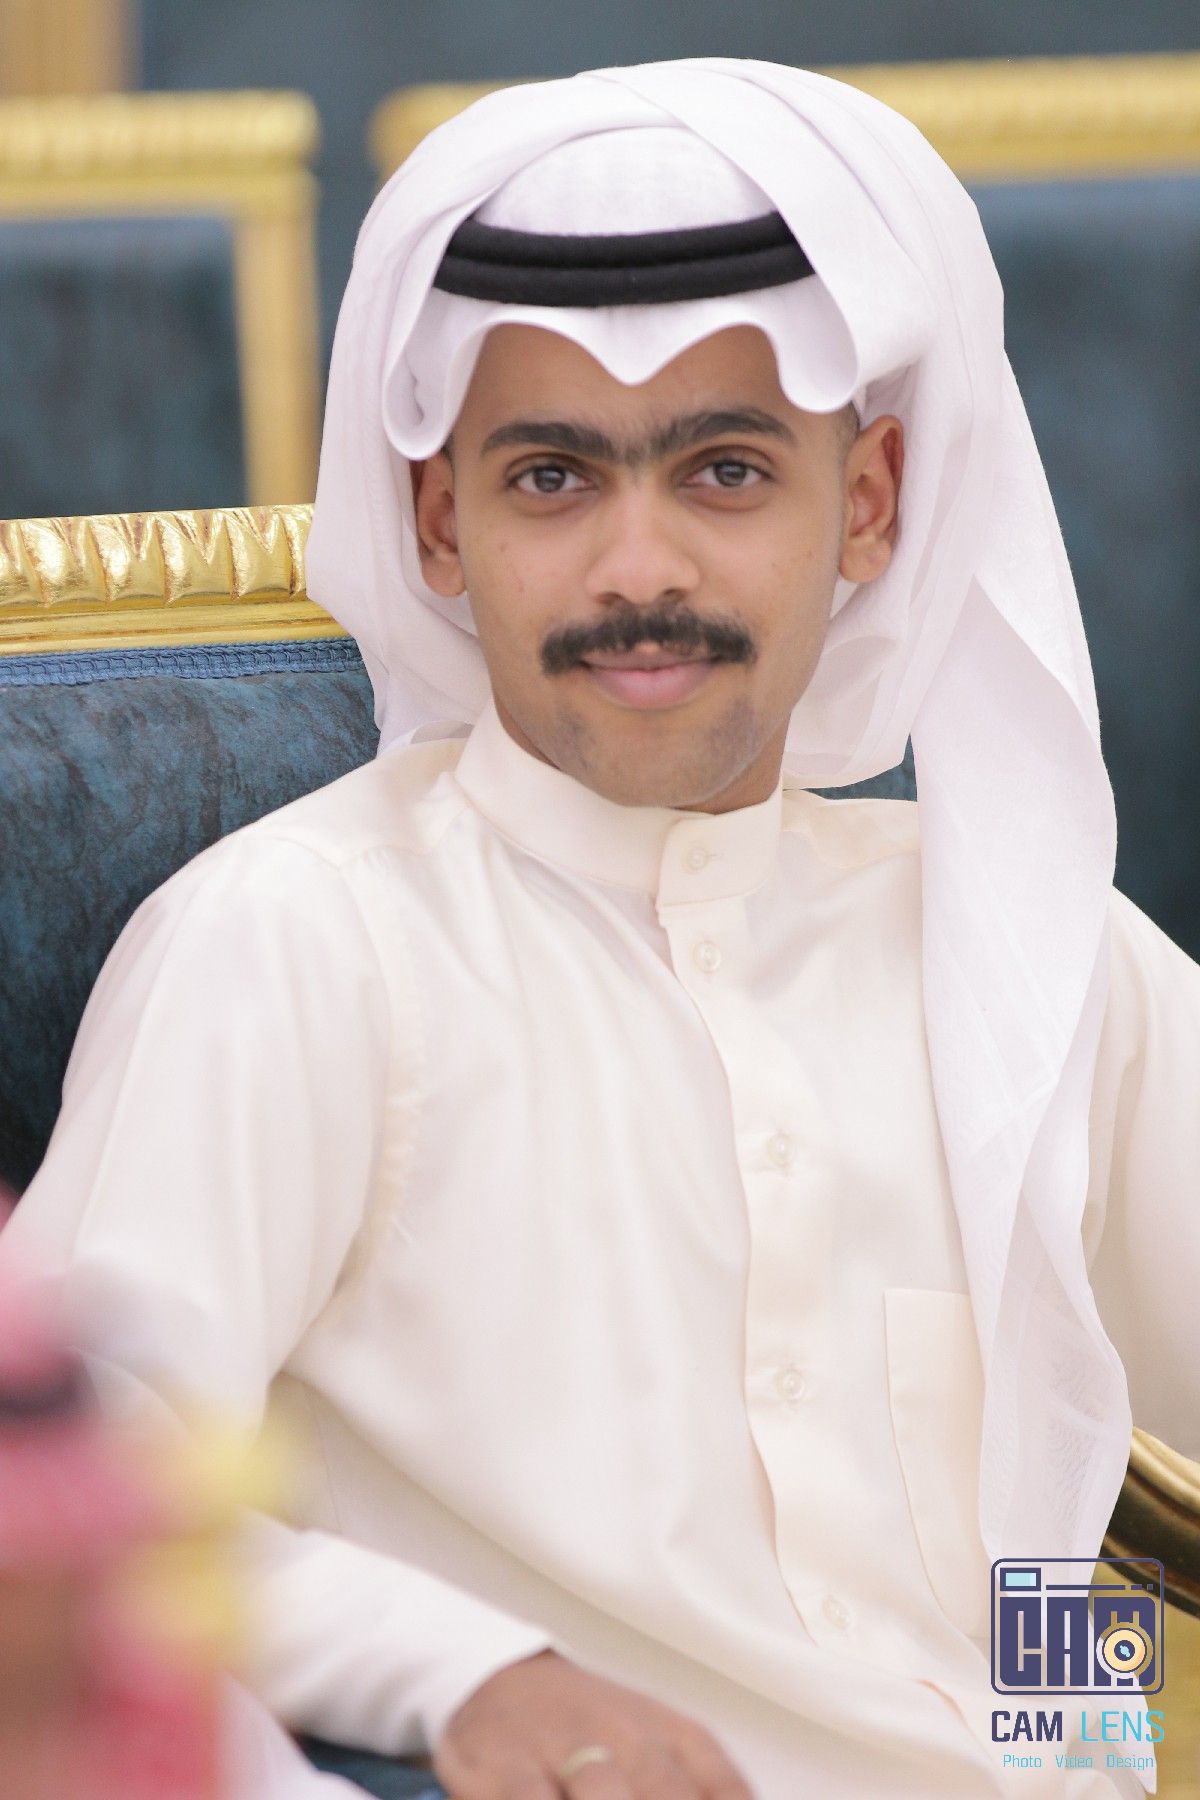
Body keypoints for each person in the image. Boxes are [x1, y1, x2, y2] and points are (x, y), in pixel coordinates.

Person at [4, 56, 1198, 1800]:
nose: (640, 570)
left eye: (725, 471)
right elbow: (72, 1523)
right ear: (442, 521)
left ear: (868, 502)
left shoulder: (1028, 951)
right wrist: (467, 1672)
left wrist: (1080, 1750)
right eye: (555, 479)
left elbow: (1054, 1515)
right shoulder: (299, 945)